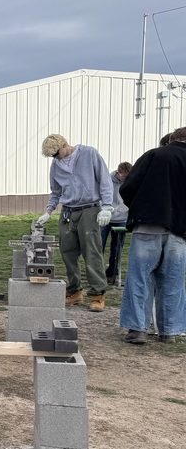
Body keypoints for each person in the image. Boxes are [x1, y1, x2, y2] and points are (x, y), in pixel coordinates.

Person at [118, 127, 186, 344]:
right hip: (180, 230)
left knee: (140, 278)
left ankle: (138, 328)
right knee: (173, 280)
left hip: (147, 224)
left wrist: (139, 207)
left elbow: (127, 187)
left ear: (172, 139)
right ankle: (170, 331)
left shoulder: (154, 155)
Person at [37, 134, 113, 312]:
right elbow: (56, 191)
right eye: (52, 156)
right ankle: (75, 291)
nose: (55, 158)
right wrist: (48, 211)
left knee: (91, 251)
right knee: (67, 251)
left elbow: (105, 180)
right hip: (68, 211)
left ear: (64, 145)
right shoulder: (56, 165)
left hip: (89, 209)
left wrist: (107, 207)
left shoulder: (89, 154)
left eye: (56, 154)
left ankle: (98, 294)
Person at [100, 161, 132, 285]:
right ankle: (97, 273)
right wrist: (105, 209)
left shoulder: (131, 181)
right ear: (118, 173)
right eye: (124, 177)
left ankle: (112, 274)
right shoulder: (107, 180)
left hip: (122, 220)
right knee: (99, 246)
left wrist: (126, 207)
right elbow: (100, 196)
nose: (125, 180)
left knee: (117, 249)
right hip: (106, 218)